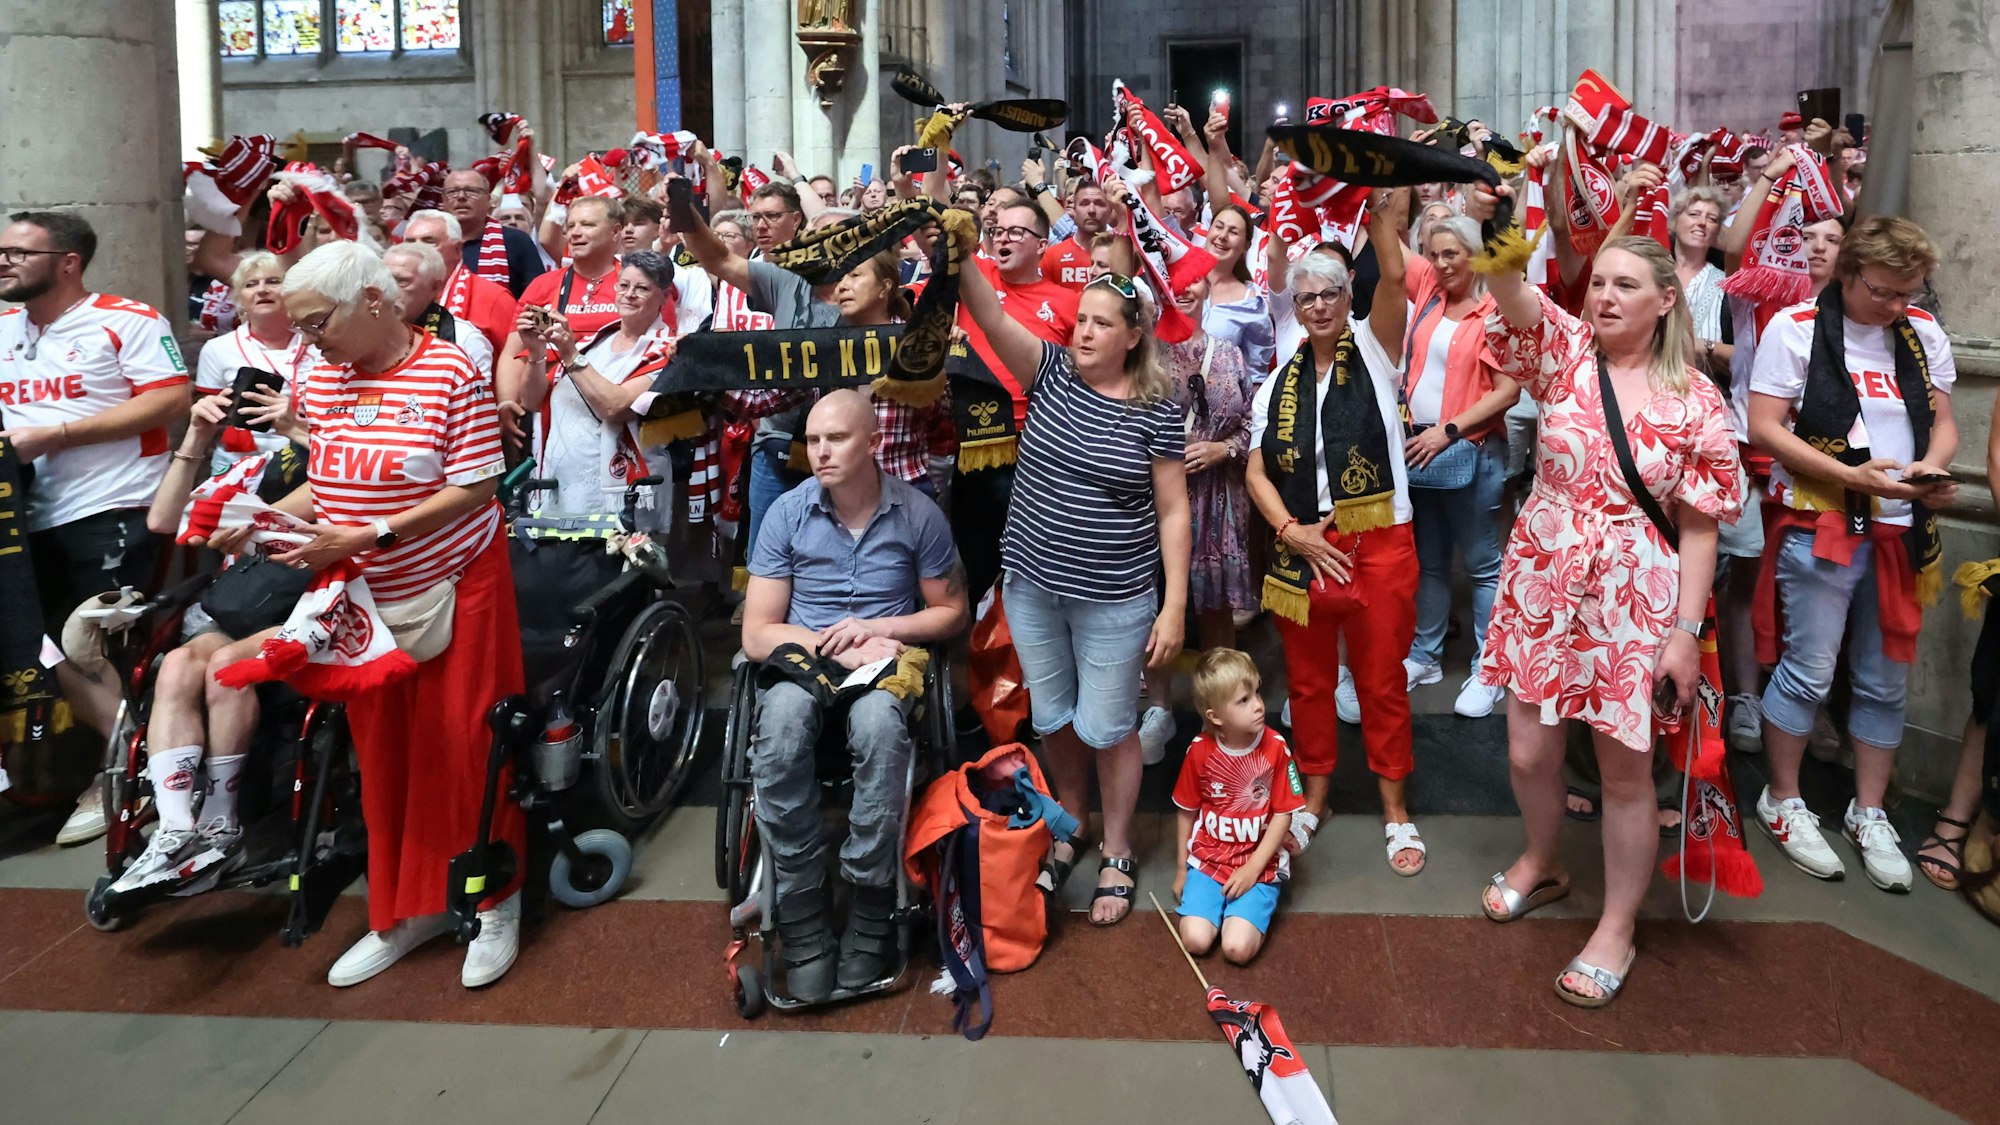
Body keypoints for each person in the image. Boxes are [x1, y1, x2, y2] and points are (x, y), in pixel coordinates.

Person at [1469, 176, 1743, 1006]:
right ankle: (1544, 859)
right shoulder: (1563, 354)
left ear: (1667, 299)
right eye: (1600, 282)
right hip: (1543, 573)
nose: (1607, 297)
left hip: (1635, 592)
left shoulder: (1694, 397)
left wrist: (1685, 632)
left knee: (1627, 772)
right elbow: (1514, 298)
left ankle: (1618, 923)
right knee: (1527, 748)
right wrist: (1496, 234)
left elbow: (1700, 525)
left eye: (1628, 284)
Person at [275, 240, 527, 988]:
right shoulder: (323, 376)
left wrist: (368, 534)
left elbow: (477, 484)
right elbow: (324, 481)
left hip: (458, 580)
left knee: (466, 744)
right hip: (362, 592)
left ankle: (495, 900)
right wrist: (262, 519)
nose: (308, 339)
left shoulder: (450, 368)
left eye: (318, 321)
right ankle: (403, 909)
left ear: (375, 302)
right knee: (379, 752)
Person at [959, 262, 1189, 926]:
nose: (1083, 332)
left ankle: (1117, 848)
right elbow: (991, 312)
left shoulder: (1157, 406)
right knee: (1054, 716)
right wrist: (961, 246)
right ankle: (1072, 821)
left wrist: (1173, 604)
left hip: (1116, 598)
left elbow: (1173, 510)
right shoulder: (1050, 371)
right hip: (1033, 587)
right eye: (1081, 319)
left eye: (1101, 323)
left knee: (1111, 727)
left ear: (1133, 336)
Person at [1747, 216, 1959, 893]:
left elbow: (1943, 419)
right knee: (1808, 671)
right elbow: (1764, 426)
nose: (1899, 306)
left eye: (1910, 293)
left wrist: (1930, 467)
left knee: (1882, 677)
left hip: (1900, 528)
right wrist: (1850, 477)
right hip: (1824, 521)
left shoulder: (1921, 334)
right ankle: (1783, 797)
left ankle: (1869, 811)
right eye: (1884, 292)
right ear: (1848, 274)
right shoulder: (1797, 328)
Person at [741, 390, 969, 1002]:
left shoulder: (918, 513)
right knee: (782, 725)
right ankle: (802, 902)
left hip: (884, 664)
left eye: (836, 439)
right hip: (805, 660)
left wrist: (882, 629)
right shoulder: (787, 513)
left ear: (872, 443)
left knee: (878, 727)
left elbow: (951, 612)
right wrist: (832, 644)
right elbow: (757, 631)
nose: (820, 452)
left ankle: (871, 901)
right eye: (813, 440)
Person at [0, 211, 192, 846]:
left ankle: (136, 774)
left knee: (85, 647)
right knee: (37, 648)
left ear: (67, 262)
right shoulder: (3, 326)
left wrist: (56, 433)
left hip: (114, 507)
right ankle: (119, 764)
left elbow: (170, 398)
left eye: (17, 253)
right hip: (26, 517)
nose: (3, 262)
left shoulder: (127, 320)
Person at [1244, 191, 1420, 872]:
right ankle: (1314, 798)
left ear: (1350, 296)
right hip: (1303, 549)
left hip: (1377, 541)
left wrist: (1378, 209)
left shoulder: (1377, 348)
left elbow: (1398, 278)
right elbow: (1257, 472)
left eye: (1331, 293)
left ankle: (1396, 810)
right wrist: (1293, 531)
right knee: (1309, 683)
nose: (1319, 305)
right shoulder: (1275, 387)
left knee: (1381, 682)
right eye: (1307, 296)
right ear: (1293, 304)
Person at [1715, 148, 1845, 748]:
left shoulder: (1856, 317)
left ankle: (1802, 699)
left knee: (1811, 585)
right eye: (1805, 235)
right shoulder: (1763, 288)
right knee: (1750, 581)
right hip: (1752, 452)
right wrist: (1771, 176)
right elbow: (1735, 242)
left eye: (1831, 238)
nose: (1817, 246)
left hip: (1825, 464)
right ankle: (1748, 694)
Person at [1399, 214, 1520, 719]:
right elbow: (1386, 241)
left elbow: (1509, 389)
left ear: (1475, 257)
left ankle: (1486, 668)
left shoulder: (1496, 313)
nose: (1442, 262)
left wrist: (1448, 430)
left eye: (1453, 253)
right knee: (1428, 561)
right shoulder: (1429, 288)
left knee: (1481, 564)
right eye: (1435, 252)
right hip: (1418, 451)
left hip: (1469, 450)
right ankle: (1424, 657)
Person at [1138, 275, 1253, 762]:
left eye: (1192, 282)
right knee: (1153, 604)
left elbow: (1252, 423)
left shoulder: (1228, 354)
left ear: (1207, 290)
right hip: (1154, 500)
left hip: (1217, 497)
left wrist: (1222, 448)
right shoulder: (1144, 355)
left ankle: (1223, 707)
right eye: (1172, 283)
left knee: (1216, 609)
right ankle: (1159, 710)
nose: (1182, 291)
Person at [951, 200, 1081, 600]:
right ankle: (984, 656)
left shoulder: (1068, 301)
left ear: (1042, 246)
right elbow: (939, 230)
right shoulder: (978, 277)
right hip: (975, 446)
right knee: (979, 563)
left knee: (1033, 569)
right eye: (997, 231)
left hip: (1036, 450)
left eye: (1015, 232)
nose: (1002, 238)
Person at [512, 250, 676, 519]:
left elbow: (615, 406)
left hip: (622, 499)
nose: (629, 294)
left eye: (642, 288)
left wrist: (568, 353)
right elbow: (531, 401)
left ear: (665, 296)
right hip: (556, 487)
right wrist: (536, 353)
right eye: (624, 285)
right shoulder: (594, 342)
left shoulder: (668, 351)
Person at [1171, 648, 1302, 965]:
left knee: (1237, 949)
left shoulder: (1277, 749)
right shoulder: (1199, 751)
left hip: (1257, 863)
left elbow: (1284, 813)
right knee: (1195, 939)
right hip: (1208, 861)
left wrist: (1252, 869)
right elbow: (1186, 810)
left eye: (1256, 693)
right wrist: (1180, 868)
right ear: (1215, 716)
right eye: (1243, 701)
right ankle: (1221, 909)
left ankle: (1252, 911)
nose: (1258, 705)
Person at [496, 195, 629, 446]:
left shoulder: (635, 284)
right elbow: (514, 352)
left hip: (618, 409)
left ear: (615, 232)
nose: (575, 233)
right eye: (571, 226)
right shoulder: (544, 286)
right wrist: (506, 401)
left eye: (588, 225)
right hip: (553, 415)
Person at [192, 251, 313, 474]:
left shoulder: (318, 341)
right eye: (250, 284)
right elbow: (206, 414)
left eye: (274, 281)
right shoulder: (218, 349)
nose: (262, 289)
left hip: (306, 457)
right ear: (240, 300)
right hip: (238, 463)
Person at [402, 209, 517, 352]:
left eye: (429, 241)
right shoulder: (391, 298)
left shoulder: (494, 298)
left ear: (457, 249)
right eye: (410, 242)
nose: (417, 249)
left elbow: (514, 361)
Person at [383, 242, 495, 379]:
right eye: (384, 280)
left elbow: (477, 399)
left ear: (435, 287)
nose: (388, 290)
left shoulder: (465, 339)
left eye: (401, 281)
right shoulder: (364, 332)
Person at [442, 167, 546, 297]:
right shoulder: (429, 240)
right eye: (452, 192)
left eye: (471, 191)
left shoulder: (516, 241)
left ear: (489, 200)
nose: (461, 197)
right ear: (443, 201)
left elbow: (541, 297)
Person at [1202, 204, 1276, 376]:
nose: (1222, 236)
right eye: (1219, 227)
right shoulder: (1181, 279)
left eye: (1233, 232)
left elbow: (1256, 374)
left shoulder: (1251, 302)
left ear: (1246, 246)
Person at [1041, 180, 1114, 288]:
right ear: (1074, 210)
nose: (1091, 210)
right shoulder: (1052, 256)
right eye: (1084, 204)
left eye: (1099, 203)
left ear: (1110, 210)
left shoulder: (1122, 254)